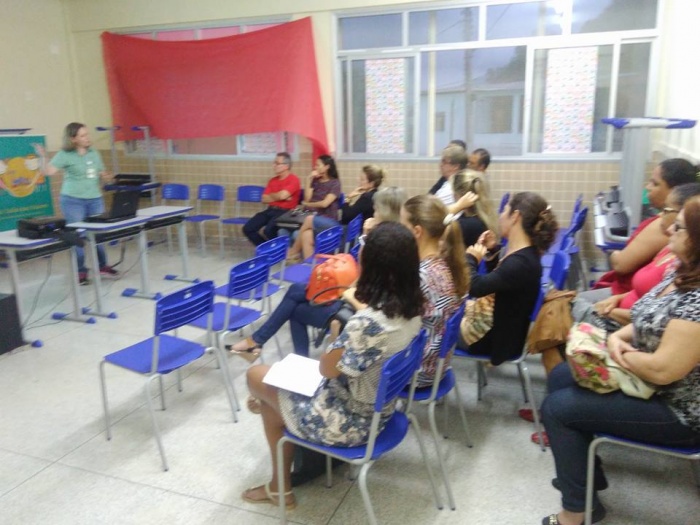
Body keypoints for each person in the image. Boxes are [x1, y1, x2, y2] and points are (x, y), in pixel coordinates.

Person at [241, 222, 424, 510]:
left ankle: (279, 487)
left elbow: (327, 369)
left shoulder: (367, 323)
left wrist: (338, 334)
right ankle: (278, 484)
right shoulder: (413, 309)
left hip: (350, 423)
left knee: (256, 376)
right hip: (381, 411)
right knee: (269, 393)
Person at [540, 195, 700, 525]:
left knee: (557, 409)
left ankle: (576, 511)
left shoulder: (697, 301)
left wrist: (619, 352)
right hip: (646, 378)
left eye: (679, 227)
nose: (669, 230)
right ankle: (586, 481)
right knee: (560, 377)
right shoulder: (680, 270)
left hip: (678, 410)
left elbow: (663, 370)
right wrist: (617, 338)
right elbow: (644, 315)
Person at [228, 187, 410, 361]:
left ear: (385, 211)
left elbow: (365, 276)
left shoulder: (381, 241)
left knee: (296, 310)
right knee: (295, 290)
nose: (373, 212)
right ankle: (256, 342)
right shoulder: (401, 237)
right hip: (360, 295)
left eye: (376, 208)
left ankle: (269, 348)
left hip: (360, 307)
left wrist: (365, 236)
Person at [457, 192, 558, 365]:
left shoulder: (521, 263)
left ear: (515, 217)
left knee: (435, 323)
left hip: (488, 339)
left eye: (504, 211)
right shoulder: (524, 254)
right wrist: (492, 251)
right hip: (496, 328)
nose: (501, 216)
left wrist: (470, 258)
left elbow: (475, 287)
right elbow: (502, 284)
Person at [587, 158, 698, 299]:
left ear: (674, 190)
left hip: (622, 293)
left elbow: (621, 264)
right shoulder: (669, 229)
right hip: (624, 297)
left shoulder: (663, 227)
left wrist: (615, 254)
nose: (648, 187)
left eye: (655, 183)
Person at [34, 122, 118, 285]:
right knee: (77, 236)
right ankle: (81, 271)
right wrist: (43, 157)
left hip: (95, 199)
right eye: (83, 135)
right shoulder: (65, 154)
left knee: (99, 234)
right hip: (73, 201)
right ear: (73, 139)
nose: (87, 138)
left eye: (87, 134)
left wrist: (109, 177)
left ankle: (102, 266)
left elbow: (102, 173)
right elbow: (48, 172)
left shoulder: (94, 153)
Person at [400, 195, 469, 387]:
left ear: (417, 231)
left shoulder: (421, 275)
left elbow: (387, 322)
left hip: (415, 372)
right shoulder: (445, 264)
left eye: (402, 225)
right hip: (437, 365)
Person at [286, 155, 342, 261]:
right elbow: (307, 198)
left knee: (309, 219)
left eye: (318, 165)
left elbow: (325, 204)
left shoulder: (335, 183)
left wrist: (309, 204)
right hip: (314, 218)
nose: (315, 167)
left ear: (327, 167)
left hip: (329, 221)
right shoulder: (316, 181)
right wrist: (308, 179)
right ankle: (311, 266)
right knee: (306, 235)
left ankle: (294, 250)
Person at [242, 152, 300, 246]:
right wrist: (280, 196)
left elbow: (282, 196)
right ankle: (267, 249)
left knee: (268, 230)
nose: (274, 165)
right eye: (274, 163)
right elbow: (264, 199)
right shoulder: (272, 180)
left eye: (277, 163)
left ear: (286, 166)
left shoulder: (294, 179)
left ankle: (278, 250)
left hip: (286, 212)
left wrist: (274, 196)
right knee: (248, 228)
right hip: (270, 210)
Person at [447, 169, 498, 247]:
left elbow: (434, 228)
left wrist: (457, 207)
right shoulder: (482, 218)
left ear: (458, 195)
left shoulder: (465, 225)